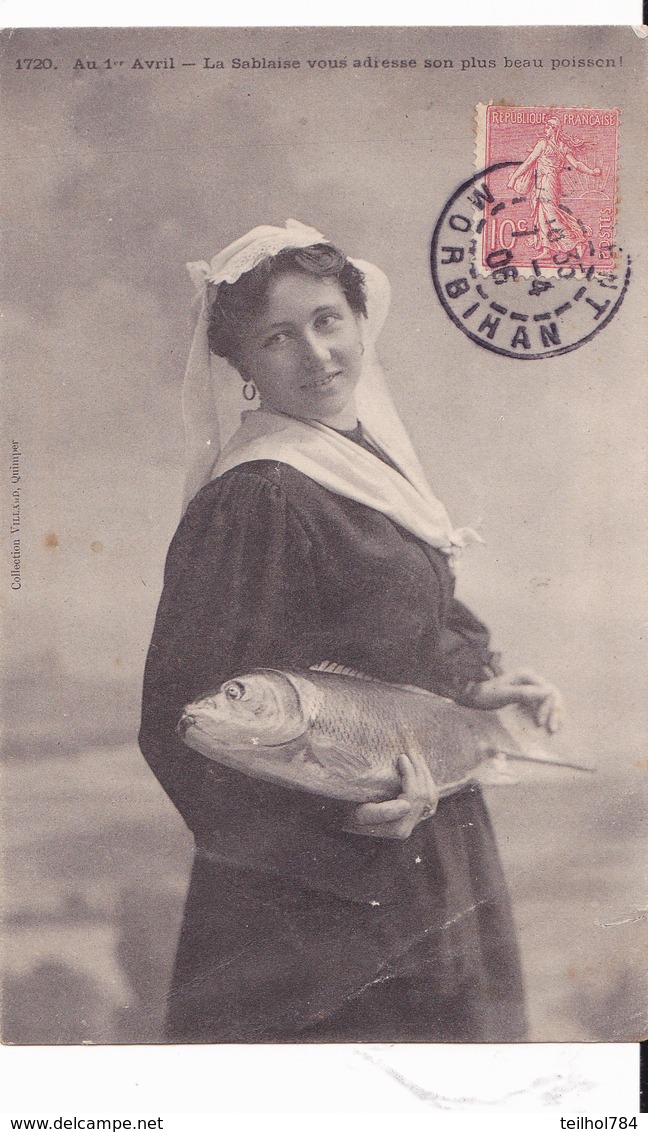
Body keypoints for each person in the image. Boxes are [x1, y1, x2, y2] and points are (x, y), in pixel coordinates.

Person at [139, 219, 563, 1043]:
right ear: (246, 369)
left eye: (328, 321)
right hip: (311, 911)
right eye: (278, 338)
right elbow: (177, 723)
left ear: (360, 321)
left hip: (431, 851)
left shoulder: (360, 460)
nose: (317, 354)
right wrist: (336, 824)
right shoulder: (256, 497)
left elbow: (405, 620)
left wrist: (477, 681)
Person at [508, 116, 601, 258]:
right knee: (541, 214)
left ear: (554, 129)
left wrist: (514, 177)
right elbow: (575, 164)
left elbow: (528, 163)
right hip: (544, 182)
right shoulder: (556, 145)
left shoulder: (546, 145)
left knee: (551, 213)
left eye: (548, 127)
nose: (545, 129)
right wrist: (591, 172)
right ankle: (547, 249)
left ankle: (577, 241)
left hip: (549, 182)